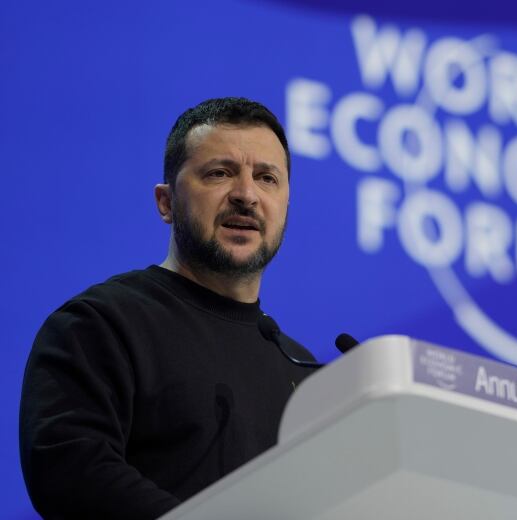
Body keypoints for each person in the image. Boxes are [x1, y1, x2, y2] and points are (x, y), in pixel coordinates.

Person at [19, 97, 316, 519]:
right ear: (166, 202)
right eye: (220, 173)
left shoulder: (303, 370)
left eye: (267, 178)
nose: (246, 195)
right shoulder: (100, 324)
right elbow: (71, 468)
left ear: (286, 205)